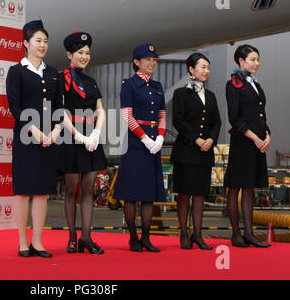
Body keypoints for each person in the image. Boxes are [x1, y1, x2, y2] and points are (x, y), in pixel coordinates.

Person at [6, 20, 63, 258]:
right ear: (25, 43)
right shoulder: (16, 71)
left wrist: (56, 131)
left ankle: (38, 242)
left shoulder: (52, 73)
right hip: (26, 138)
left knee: (42, 191)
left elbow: (60, 107)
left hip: (49, 139)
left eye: (45, 41)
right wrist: (36, 131)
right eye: (38, 41)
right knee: (23, 190)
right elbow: (15, 107)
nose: (42, 45)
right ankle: (22, 241)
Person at [114, 44, 166, 252]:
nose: (151, 63)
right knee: (132, 193)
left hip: (154, 142)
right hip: (136, 143)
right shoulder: (130, 84)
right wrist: (145, 139)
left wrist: (160, 138)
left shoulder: (158, 86)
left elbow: (162, 115)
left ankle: (146, 237)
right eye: (147, 59)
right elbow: (127, 115)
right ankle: (133, 237)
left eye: (154, 59)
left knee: (148, 193)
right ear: (136, 62)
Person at [59, 31, 107, 254]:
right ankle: (71, 237)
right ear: (69, 54)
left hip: (91, 139)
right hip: (71, 138)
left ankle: (86, 237)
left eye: (87, 53)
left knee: (88, 189)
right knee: (71, 189)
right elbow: (60, 111)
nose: (84, 56)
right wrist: (78, 135)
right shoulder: (61, 79)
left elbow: (100, 110)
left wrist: (96, 133)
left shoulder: (91, 81)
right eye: (80, 52)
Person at [170, 53, 221, 250]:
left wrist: (211, 139)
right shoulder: (181, 93)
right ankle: (184, 233)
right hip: (186, 151)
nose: (206, 71)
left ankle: (197, 235)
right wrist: (196, 138)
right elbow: (178, 121)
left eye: (208, 67)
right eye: (202, 67)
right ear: (191, 69)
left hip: (205, 152)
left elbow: (217, 121)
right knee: (184, 194)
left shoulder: (211, 96)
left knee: (199, 195)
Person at [224, 44, 271, 248]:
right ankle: (236, 234)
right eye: (252, 59)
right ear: (241, 61)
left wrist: (267, 134)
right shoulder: (233, 84)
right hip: (243, 142)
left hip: (257, 141)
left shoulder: (255, 84)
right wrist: (255, 137)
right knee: (235, 188)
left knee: (249, 188)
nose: (256, 63)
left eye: (257, 59)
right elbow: (234, 118)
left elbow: (260, 115)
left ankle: (250, 233)